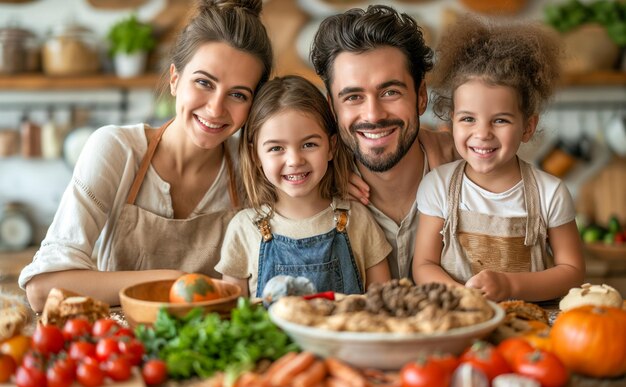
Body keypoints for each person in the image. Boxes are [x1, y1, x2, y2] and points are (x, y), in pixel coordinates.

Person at [19, 0, 274, 312]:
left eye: (238, 94)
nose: (216, 108)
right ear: (175, 79)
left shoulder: (253, 167)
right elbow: (42, 289)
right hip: (119, 350)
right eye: (204, 82)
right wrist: (176, 281)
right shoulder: (117, 150)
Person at [412, 17, 585, 302]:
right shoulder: (438, 185)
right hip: (461, 320)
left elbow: (572, 270)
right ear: (451, 121)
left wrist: (511, 287)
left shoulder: (550, 193)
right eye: (468, 119)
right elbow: (423, 265)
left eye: (500, 120)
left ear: (527, 127)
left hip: (530, 327)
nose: (482, 134)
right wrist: (464, 297)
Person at [310, 5, 458, 281]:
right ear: (332, 108)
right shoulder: (312, 184)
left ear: (421, 95)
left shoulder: (470, 166)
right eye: (353, 97)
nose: (373, 115)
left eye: (390, 92)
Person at [215, 75, 392, 297]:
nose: (295, 160)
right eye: (276, 148)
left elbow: (384, 305)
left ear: (331, 146)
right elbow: (233, 316)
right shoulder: (243, 229)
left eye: (309, 144)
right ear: (255, 155)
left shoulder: (358, 220)